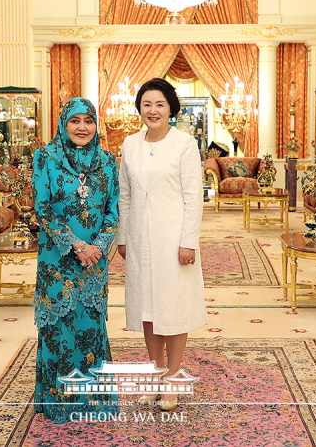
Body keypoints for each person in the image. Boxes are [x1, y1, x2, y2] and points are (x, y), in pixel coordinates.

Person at [116, 78, 206, 411]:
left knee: (173, 308)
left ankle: (172, 378)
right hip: (139, 238)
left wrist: (188, 241)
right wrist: (123, 236)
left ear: (171, 108)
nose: (152, 111)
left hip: (173, 238)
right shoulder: (129, 143)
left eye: (160, 104)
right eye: (146, 104)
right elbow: (125, 195)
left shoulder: (184, 144)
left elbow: (193, 197)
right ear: (139, 109)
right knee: (147, 309)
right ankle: (154, 373)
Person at [32, 97, 119, 423]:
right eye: (75, 121)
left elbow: (114, 210)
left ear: (96, 125)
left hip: (94, 261)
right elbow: (43, 208)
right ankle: (60, 404)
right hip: (57, 261)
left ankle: (94, 401)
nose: (82, 127)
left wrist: (98, 246)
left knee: (90, 327)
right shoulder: (45, 157)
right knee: (58, 328)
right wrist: (76, 245)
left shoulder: (109, 162)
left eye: (88, 121)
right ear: (63, 123)